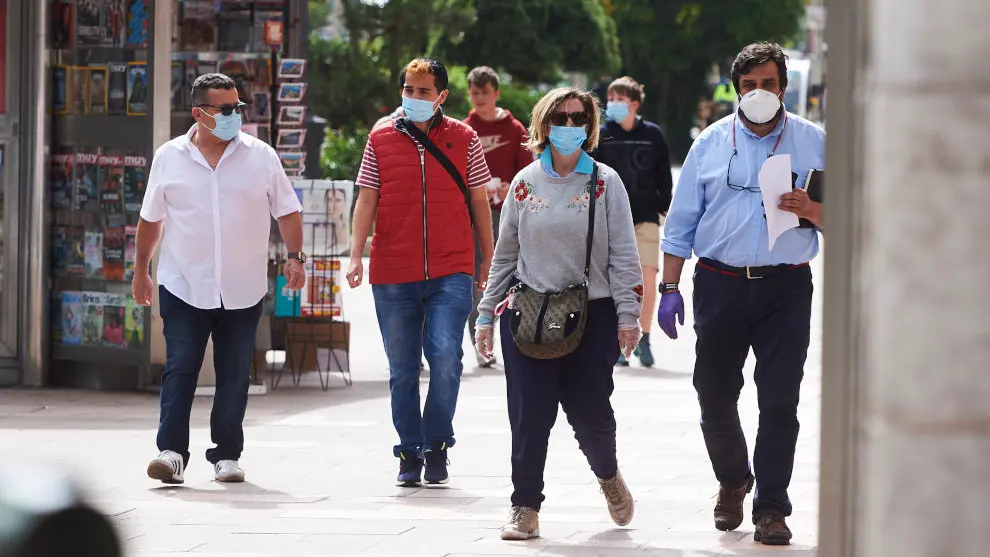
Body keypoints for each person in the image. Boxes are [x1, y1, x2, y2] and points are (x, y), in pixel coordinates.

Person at [657, 42, 824, 546]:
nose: (758, 94)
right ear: (736, 89)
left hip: (785, 288)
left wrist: (813, 211)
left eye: (768, 84)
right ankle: (733, 480)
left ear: (784, 88)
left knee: (779, 402)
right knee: (713, 394)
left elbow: (856, 218)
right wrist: (668, 286)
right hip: (719, 284)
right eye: (748, 86)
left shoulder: (815, 142)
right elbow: (681, 221)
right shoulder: (709, 142)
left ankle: (771, 508)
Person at [474, 87, 643, 540]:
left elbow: (625, 254)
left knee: (591, 415)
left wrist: (629, 315)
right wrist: (486, 313)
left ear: (589, 127)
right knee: (529, 414)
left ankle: (608, 475)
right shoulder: (525, 183)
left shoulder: (605, 182)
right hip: (529, 314)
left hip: (594, 316)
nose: (568, 126)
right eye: (560, 117)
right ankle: (524, 506)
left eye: (578, 118)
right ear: (543, 124)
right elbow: (505, 254)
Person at [133, 73, 306, 485]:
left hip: (242, 287)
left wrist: (296, 258)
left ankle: (227, 455)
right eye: (226, 109)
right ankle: (171, 452)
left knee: (233, 374)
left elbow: (287, 210)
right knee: (181, 368)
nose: (235, 116)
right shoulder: (169, 157)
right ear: (199, 113)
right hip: (183, 284)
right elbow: (151, 219)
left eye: (238, 108)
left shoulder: (261, 156)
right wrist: (142, 269)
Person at [346, 58, 496, 488]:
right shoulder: (380, 137)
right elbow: (367, 199)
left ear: (442, 96)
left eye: (423, 91)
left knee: (447, 358)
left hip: (452, 267)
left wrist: (489, 257)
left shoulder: (464, 139)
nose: (413, 97)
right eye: (408, 89)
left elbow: (479, 200)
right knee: (403, 368)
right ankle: (409, 450)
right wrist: (357, 255)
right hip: (393, 269)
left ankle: (438, 443)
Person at [592, 76, 674, 368]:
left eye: (619, 99)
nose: (612, 104)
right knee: (615, 282)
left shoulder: (653, 134)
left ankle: (646, 338)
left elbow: (664, 175)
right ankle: (619, 340)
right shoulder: (601, 135)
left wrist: (665, 207)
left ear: (635, 103)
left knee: (647, 277)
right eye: (610, 99)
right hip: (608, 219)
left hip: (645, 217)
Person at [462, 66, 533, 368]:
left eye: (484, 93)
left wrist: (510, 189)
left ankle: (514, 341)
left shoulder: (515, 129)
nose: (479, 99)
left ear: (496, 94)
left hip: (508, 216)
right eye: (474, 93)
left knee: (510, 280)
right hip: (474, 217)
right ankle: (480, 343)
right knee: (478, 281)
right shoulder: (464, 129)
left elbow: (529, 175)